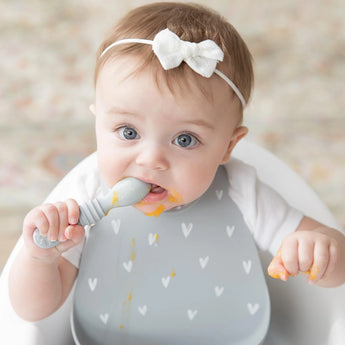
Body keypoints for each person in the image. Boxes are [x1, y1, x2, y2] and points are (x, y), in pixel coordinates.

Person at [8, 1, 345, 341]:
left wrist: (318, 249)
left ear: (227, 146)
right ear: (98, 122)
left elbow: (338, 266)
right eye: (128, 132)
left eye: (185, 139)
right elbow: (33, 311)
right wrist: (40, 259)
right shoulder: (85, 199)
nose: (152, 159)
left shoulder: (241, 191)